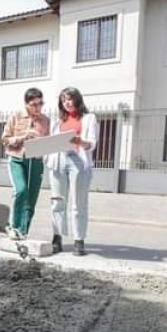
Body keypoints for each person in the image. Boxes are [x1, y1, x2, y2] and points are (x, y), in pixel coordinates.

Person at [46, 87, 99, 256]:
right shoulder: (57, 121)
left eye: (69, 99)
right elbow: (52, 142)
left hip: (78, 161)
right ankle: (57, 238)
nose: (67, 102)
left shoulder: (89, 118)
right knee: (57, 202)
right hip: (58, 161)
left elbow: (92, 143)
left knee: (79, 203)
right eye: (63, 100)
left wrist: (79, 141)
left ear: (77, 99)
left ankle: (79, 240)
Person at [1, 88, 50, 240]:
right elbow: (5, 139)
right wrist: (23, 137)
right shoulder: (15, 117)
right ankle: (13, 227)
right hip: (17, 159)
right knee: (21, 190)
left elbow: (48, 142)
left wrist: (41, 143)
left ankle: (23, 231)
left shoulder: (45, 120)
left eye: (40, 104)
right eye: (34, 104)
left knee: (32, 197)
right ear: (26, 104)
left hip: (36, 161)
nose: (38, 108)